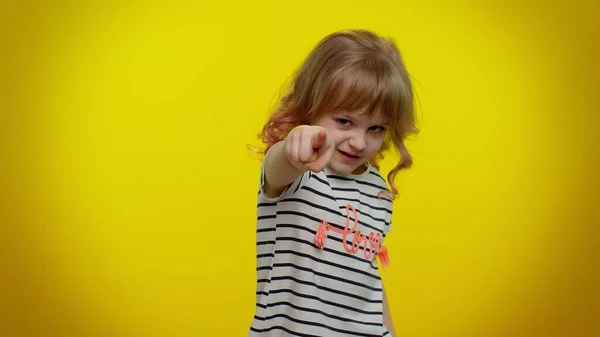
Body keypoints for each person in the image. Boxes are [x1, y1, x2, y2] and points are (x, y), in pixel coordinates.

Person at [248, 29, 418, 337]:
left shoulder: (377, 191)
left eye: (376, 128)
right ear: (311, 106)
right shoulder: (299, 170)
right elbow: (278, 167)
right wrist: (295, 146)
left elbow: (369, 282)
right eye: (345, 121)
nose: (359, 142)